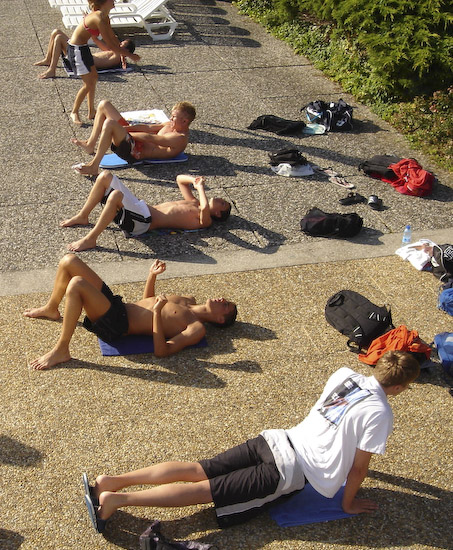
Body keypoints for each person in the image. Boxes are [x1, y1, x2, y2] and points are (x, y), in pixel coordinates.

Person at [82, 351, 420, 532]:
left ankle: (111, 481)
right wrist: (348, 504)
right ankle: (116, 500)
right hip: (287, 471)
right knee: (205, 491)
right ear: (399, 387)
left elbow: (338, 421)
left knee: (198, 469)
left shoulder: (345, 375)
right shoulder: (380, 412)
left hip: (274, 440)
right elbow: (359, 469)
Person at [23, 256, 237, 370]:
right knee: (69, 261)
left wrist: (157, 313)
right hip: (118, 306)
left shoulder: (196, 328)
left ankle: (62, 349)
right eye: (226, 300)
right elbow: (147, 302)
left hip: (118, 324)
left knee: (77, 284)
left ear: (220, 319)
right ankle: (52, 308)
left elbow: (162, 351)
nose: (222, 299)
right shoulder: (188, 299)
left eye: (226, 305)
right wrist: (152, 276)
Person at [60, 171, 232, 251]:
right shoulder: (194, 202)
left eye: (222, 203)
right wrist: (194, 180)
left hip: (143, 222)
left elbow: (204, 210)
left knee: (116, 195)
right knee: (105, 176)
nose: (219, 199)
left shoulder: (205, 219)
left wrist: (201, 189)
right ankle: (83, 216)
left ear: (218, 214)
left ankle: (91, 239)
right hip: (139, 208)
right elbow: (180, 179)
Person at [58, 0, 140, 125]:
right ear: (103, 2)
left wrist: (123, 53)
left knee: (94, 78)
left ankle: (91, 111)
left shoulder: (105, 16)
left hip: (83, 47)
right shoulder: (98, 18)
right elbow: (110, 45)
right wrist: (130, 55)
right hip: (76, 49)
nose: (114, 1)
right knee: (88, 84)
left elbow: (113, 38)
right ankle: (74, 112)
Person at [70, 99, 196, 176]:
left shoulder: (179, 138)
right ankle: (90, 144)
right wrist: (125, 129)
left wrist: (123, 132)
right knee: (104, 104)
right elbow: (148, 128)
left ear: (185, 121)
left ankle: (94, 166)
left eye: (174, 117)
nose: (170, 118)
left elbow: (149, 138)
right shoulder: (170, 124)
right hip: (134, 141)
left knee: (110, 123)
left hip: (135, 152)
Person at [34, 28, 136, 79]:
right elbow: (97, 40)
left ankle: (52, 70)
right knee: (56, 32)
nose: (119, 44)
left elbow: (123, 62)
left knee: (59, 38)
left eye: (122, 45)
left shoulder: (118, 56)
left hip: (82, 62)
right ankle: (48, 59)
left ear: (126, 51)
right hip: (81, 57)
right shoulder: (113, 52)